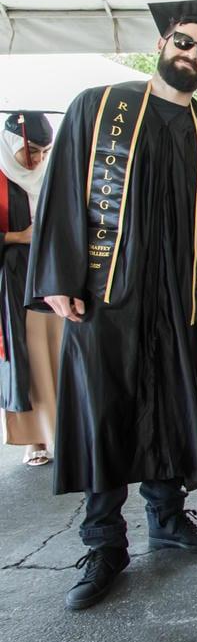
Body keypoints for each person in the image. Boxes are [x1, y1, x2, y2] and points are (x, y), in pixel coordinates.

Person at [27, 0, 197, 610]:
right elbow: (63, 192)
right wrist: (58, 274)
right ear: (161, 44)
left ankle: (168, 519)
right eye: (184, 42)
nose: (192, 56)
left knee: (174, 404)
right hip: (104, 296)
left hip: (179, 300)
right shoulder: (99, 108)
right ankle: (103, 542)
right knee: (105, 410)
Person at [0, 112, 59, 467]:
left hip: (52, 273)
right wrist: (14, 237)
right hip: (13, 278)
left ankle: (63, 430)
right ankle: (34, 437)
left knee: (58, 351)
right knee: (30, 356)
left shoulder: (50, 175)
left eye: (43, 151)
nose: (36, 160)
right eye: (31, 151)